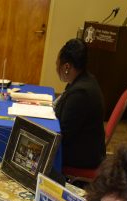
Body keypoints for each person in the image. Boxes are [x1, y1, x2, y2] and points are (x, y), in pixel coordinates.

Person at [53, 38, 105, 170]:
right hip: (84, 145)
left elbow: (63, 135)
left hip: (81, 156)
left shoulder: (80, 94)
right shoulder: (84, 80)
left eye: (57, 64)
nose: (56, 68)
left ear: (66, 67)